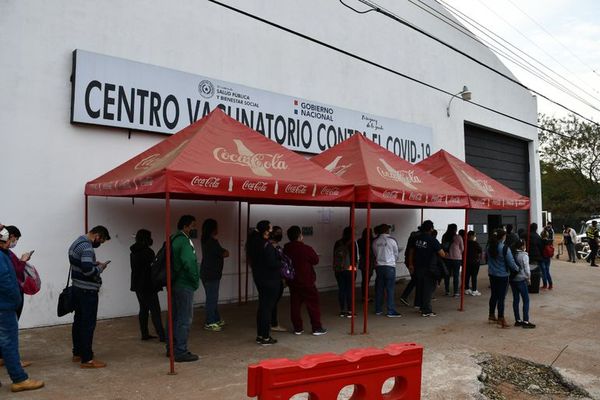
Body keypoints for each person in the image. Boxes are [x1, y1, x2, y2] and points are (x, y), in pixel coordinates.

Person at [0, 227, 44, 392]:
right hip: (4, 306)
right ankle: (19, 379)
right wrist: (15, 298)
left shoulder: (3, 254)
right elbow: (5, 280)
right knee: (9, 342)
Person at [68, 225, 111, 368]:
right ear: (97, 235)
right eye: (101, 240)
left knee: (78, 321)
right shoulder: (87, 247)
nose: (100, 243)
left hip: (77, 288)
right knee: (88, 324)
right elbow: (88, 271)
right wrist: (100, 268)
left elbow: (81, 264)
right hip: (87, 291)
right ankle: (87, 359)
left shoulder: (77, 242)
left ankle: (77, 352)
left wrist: (92, 263)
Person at [167, 215, 200, 362]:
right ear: (186, 227)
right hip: (184, 284)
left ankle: (171, 348)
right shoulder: (184, 241)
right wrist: (195, 280)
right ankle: (180, 351)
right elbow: (189, 263)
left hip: (174, 283)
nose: (195, 228)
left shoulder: (173, 238)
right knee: (184, 319)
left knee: (173, 317)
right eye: (193, 225)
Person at [283, 225, 327, 336]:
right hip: (307, 281)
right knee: (313, 304)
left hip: (293, 281)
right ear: (300, 236)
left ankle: (298, 328)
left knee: (295, 305)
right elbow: (315, 260)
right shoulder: (305, 248)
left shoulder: (286, 249)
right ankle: (316, 328)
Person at [0, 226, 32, 368]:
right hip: (8, 301)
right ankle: (16, 370)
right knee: (9, 335)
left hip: (8, 300)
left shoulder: (6, 253)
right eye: (15, 239)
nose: (13, 243)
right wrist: (23, 261)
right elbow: (13, 272)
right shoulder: (4, 254)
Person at [247, 220, 282, 346]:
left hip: (259, 279)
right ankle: (266, 337)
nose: (273, 231)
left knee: (262, 307)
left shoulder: (254, 243)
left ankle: (260, 335)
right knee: (267, 308)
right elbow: (272, 263)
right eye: (271, 229)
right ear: (266, 231)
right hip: (270, 280)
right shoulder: (266, 245)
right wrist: (281, 263)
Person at [130, 229, 165, 341]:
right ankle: (162, 336)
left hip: (137, 285)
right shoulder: (148, 252)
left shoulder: (133, 252)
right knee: (155, 311)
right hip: (148, 286)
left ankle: (144, 334)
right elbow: (154, 268)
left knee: (143, 309)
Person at [200, 219, 229, 332]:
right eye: (216, 227)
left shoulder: (206, 240)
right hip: (211, 274)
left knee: (212, 298)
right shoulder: (212, 242)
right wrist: (224, 252)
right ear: (213, 229)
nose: (218, 229)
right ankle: (210, 322)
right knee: (212, 299)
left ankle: (215, 319)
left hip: (207, 273)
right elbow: (225, 253)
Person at [411, 221, 445, 317]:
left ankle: (421, 306)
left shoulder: (417, 238)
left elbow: (411, 251)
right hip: (429, 268)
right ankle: (426, 310)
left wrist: (411, 264)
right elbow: (442, 253)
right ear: (431, 229)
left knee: (421, 287)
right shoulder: (432, 240)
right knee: (428, 289)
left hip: (418, 266)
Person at [487, 229, 518, 328]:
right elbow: (511, 262)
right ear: (502, 237)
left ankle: (491, 315)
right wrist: (517, 268)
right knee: (501, 297)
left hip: (492, 274)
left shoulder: (489, 247)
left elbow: (485, 258)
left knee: (494, 295)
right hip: (503, 275)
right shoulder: (504, 248)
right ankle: (501, 318)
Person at [372, 224, 401, 317]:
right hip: (390, 266)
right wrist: (393, 261)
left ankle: (378, 309)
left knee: (379, 288)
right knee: (390, 289)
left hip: (379, 266)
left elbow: (375, 253)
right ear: (387, 230)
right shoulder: (392, 240)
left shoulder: (375, 241)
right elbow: (396, 253)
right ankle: (390, 310)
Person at [510, 239, 535, 328]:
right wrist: (529, 278)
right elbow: (527, 269)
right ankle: (526, 321)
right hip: (521, 279)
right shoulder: (524, 256)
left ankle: (517, 320)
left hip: (513, 280)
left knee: (516, 300)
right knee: (526, 300)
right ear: (522, 246)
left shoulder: (512, 254)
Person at [332, 227, 356, 318]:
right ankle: (350, 311)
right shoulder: (353, 243)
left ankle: (342, 310)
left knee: (341, 289)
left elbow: (334, 256)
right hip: (350, 269)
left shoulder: (337, 243)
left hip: (339, 269)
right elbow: (355, 258)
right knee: (349, 289)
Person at [268, 226, 287, 333]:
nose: (280, 234)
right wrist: (284, 278)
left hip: (267, 278)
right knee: (273, 302)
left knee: (270, 301)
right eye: (278, 232)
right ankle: (273, 323)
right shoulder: (275, 248)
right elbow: (280, 264)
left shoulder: (266, 246)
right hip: (275, 278)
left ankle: (270, 321)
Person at [400, 227, 421, 307]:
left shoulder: (411, 240)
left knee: (415, 279)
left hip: (410, 261)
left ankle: (405, 296)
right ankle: (407, 297)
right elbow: (411, 253)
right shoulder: (415, 242)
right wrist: (411, 264)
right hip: (413, 262)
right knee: (417, 280)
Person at [441, 223, 463, 297]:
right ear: (455, 229)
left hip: (447, 258)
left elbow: (442, 246)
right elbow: (462, 248)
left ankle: (447, 291)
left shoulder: (444, 236)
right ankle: (456, 292)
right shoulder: (458, 237)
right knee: (456, 275)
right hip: (457, 258)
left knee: (447, 275)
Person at [357, 228, 375, 303]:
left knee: (364, 279)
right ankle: (366, 296)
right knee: (367, 279)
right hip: (370, 260)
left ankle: (364, 295)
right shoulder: (373, 241)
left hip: (363, 260)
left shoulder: (359, 241)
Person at [465, 230, 482, 296]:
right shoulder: (475, 243)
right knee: (474, 276)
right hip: (474, 262)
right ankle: (474, 290)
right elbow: (480, 250)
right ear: (471, 236)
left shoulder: (465, 243)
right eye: (474, 235)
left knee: (467, 275)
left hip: (467, 261)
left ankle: (466, 289)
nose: (475, 237)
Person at [540, 224, 554, 289]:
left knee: (543, 271)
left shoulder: (541, 241)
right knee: (547, 271)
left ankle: (545, 284)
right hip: (548, 257)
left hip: (542, 257)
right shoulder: (549, 241)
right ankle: (550, 284)